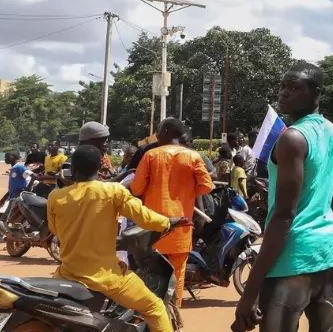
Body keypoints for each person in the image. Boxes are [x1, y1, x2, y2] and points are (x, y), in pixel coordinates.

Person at [233, 62, 333, 332]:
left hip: (291, 259)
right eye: (283, 86)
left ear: (316, 93)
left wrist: (250, 293)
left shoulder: (292, 139)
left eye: (295, 88)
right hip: (328, 254)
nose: (284, 93)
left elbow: (284, 216)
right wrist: (328, 245)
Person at [49, 145, 189, 332]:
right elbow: (145, 217)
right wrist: (168, 222)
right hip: (106, 277)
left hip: (68, 272)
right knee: (154, 308)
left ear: (73, 170)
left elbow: (55, 229)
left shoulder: (55, 197)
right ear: (100, 169)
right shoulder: (113, 192)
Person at [130, 119, 212, 308]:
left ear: (166, 131)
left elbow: (136, 188)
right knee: (178, 274)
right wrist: (187, 194)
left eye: (158, 132)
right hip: (181, 226)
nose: (156, 137)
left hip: (153, 226)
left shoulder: (151, 155)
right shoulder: (193, 157)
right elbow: (207, 185)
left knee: (151, 274)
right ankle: (173, 315)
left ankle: (151, 317)